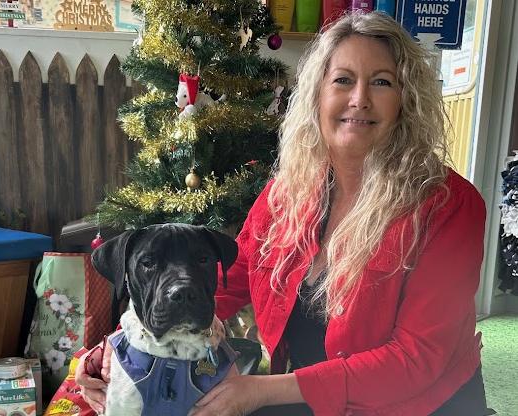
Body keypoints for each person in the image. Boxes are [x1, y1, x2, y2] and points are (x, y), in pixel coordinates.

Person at [77, 11, 490, 416]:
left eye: (381, 82)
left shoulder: (449, 204)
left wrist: (259, 391)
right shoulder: (288, 192)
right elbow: (222, 282)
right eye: (343, 80)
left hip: (418, 404)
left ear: (407, 100)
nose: (359, 98)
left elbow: (418, 358)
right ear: (317, 95)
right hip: (310, 393)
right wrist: (116, 348)